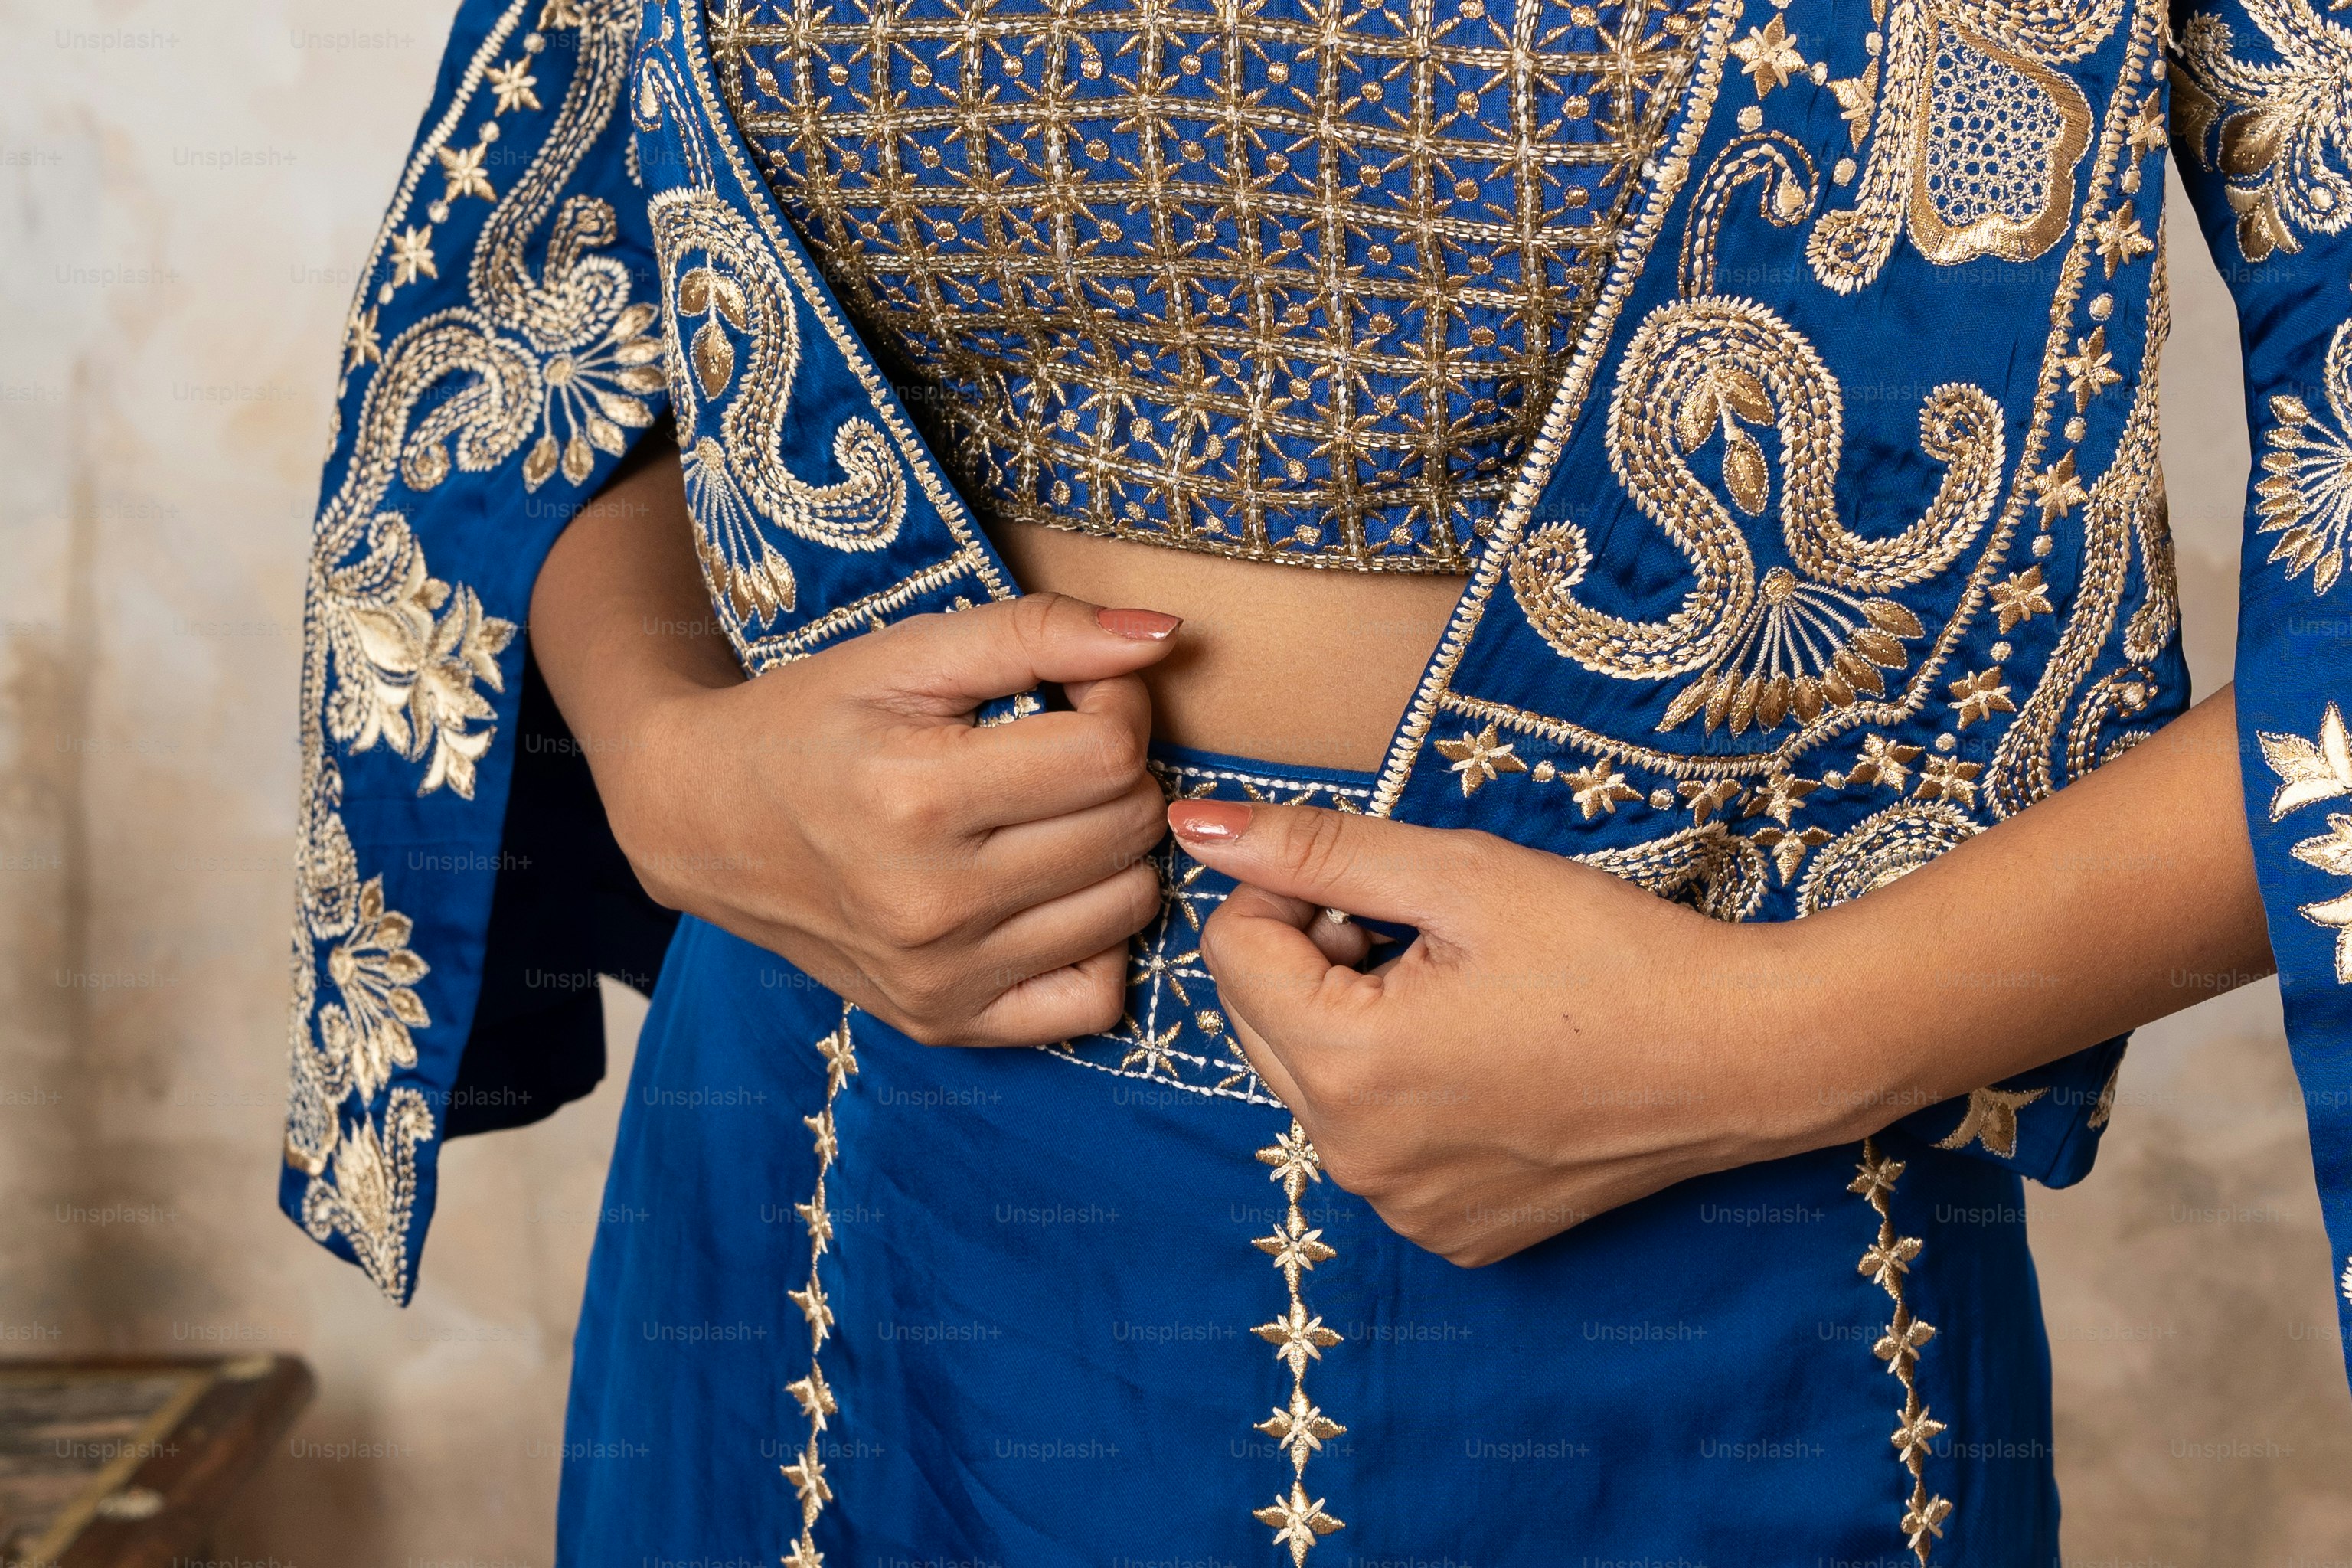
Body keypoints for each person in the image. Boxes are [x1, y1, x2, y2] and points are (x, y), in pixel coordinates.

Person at [279, 0, 2351, 1559]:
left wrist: (1781, 1039)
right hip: (836, 1179)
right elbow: (546, 294)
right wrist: (662, 750)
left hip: (1697, 1203)